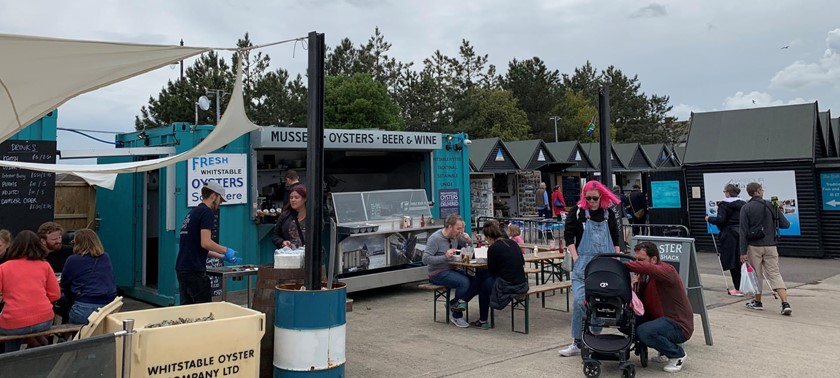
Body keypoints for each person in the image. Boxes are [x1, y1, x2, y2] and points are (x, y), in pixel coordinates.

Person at [559, 180, 622, 357]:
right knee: (580, 301)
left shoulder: (608, 213)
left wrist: (617, 258)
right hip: (583, 264)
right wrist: (576, 258)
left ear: (601, 197)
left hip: (605, 264)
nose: (592, 202)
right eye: (588, 198)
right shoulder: (577, 212)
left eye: (595, 198)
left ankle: (594, 336)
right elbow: (569, 237)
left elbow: (616, 238)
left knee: (600, 301)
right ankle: (577, 342)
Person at [625, 241, 693, 373]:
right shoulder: (646, 276)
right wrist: (636, 286)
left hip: (679, 325)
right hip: (661, 319)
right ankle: (663, 351)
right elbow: (641, 305)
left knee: (644, 331)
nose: (638, 263)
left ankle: (677, 355)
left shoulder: (667, 270)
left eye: (641, 260)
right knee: (628, 321)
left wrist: (621, 265)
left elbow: (648, 268)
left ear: (654, 259)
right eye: (636, 259)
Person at [175, 182, 241, 305]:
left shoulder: (192, 212)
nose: (221, 203)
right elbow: (206, 243)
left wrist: (222, 257)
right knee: (204, 311)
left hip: (182, 269)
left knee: (187, 312)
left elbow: (197, 246)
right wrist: (226, 250)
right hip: (194, 271)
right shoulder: (207, 212)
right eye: (220, 199)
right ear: (213, 196)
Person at [0, 230, 61, 353]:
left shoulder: (4, 267)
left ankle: (10, 360)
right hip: (44, 320)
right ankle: (40, 349)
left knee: (12, 327)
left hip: (14, 321)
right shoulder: (45, 265)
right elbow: (55, 294)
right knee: (29, 327)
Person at [739, 182, 792, 315]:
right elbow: (785, 224)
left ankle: (757, 302)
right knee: (774, 273)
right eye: (761, 189)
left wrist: (742, 252)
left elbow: (743, 231)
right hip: (771, 245)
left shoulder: (746, 208)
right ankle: (785, 303)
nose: (762, 191)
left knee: (757, 275)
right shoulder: (771, 205)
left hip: (754, 246)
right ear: (757, 191)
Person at [469, 220, 528, 330]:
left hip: (508, 285)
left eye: (486, 239)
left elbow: (492, 271)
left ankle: (483, 320)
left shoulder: (493, 248)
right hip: (522, 282)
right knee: (483, 280)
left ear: (489, 237)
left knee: (483, 287)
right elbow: (522, 262)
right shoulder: (513, 243)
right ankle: (463, 301)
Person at [422, 214, 473, 328]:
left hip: (452, 269)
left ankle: (452, 305)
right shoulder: (435, 238)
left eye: (462, 229)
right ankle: (456, 315)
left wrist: (469, 241)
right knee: (464, 282)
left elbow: (470, 250)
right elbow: (425, 259)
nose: (460, 232)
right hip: (437, 272)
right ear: (450, 227)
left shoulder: (456, 236)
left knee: (475, 280)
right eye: (458, 229)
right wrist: (445, 257)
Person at [60, 229, 118, 325]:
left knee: (64, 308)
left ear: (77, 243)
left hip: (84, 307)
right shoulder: (105, 257)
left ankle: (65, 339)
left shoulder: (73, 259)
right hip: (108, 307)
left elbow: (63, 283)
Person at [705, 184, 746, 296]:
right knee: (743, 260)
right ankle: (746, 286)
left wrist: (709, 219)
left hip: (729, 235)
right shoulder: (743, 204)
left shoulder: (724, 205)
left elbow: (721, 220)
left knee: (733, 262)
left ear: (727, 193)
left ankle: (738, 288)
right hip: (742, 234)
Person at [273, 185, 308, 249]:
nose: (293, 200)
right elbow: (276, 236)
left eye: (296, 197)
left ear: (304, 199)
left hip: (310, 253)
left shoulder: (313, 216)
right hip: (291, 255)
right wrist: (282, 242)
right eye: (291, 198)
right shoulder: (285, 216)